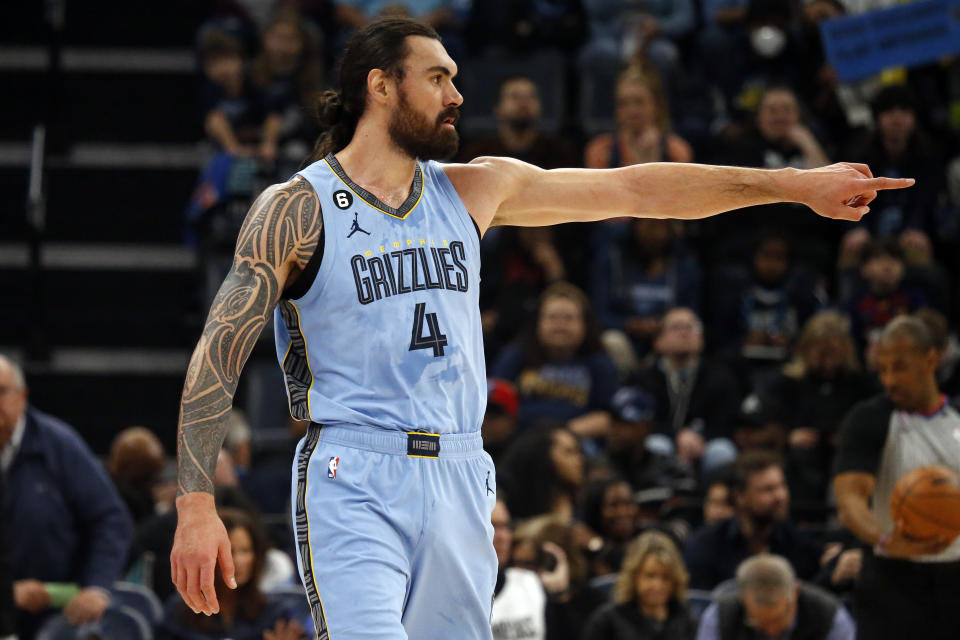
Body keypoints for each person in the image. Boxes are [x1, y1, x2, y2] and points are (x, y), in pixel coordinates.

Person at [169, 16, 914, 640]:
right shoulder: (297, 208)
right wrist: (196, 503)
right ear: (381, 85)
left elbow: (638, 189)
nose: (459, 94)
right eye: (439, 78)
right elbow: (217, 357)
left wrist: (794, 187)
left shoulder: (474, 189)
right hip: (354, 472)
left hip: (462, 474)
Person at [833, 315, 960, 640]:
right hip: (892, 583)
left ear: (931, 359)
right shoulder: (869, 419)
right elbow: (850, 500)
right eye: (883, 369)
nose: (889, 380)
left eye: (900, 367)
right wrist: (888, 540)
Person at [0, 355, 133, 638]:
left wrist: (96, 586)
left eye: (1, 392)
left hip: (60, 612)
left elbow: (110, 518)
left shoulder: (59, 446)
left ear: (22, 396)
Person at [158, 507, 305, 640]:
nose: (237, 561)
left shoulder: (276, 615)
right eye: (228, 552)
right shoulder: (178, 614)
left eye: (245, 551)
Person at [684, 451, 822, 590]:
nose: (780, 496)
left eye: (782, 486)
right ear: (740, 497)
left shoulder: (801, 544)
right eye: (768, 489)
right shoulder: (706, 545)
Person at [633, 307, 740, 478]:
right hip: (665, 440)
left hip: (705, 445)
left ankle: (716, 498)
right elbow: (643, 423)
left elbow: (726, 424)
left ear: (701, 339)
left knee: (722, 450)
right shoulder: (644, 379)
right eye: (676, 327)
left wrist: (700, 437)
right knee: (655, 445)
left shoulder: (721, 377)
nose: (684, 333)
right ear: (658, 341)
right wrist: (676, 436)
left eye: (691, 327)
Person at [696, 554, 855, 640]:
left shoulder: (830, 616)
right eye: (759, 623)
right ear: (742, 597)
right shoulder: (719, 616)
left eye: (779, 620)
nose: (771, 632)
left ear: (795, 592)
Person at [581, 530, 697, 640]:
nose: (657, 585)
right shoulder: (606, 623)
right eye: (650, 576)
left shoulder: (686, 621)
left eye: (665, 577)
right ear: (634, 576)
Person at [108, 425, 168, 525]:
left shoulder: (106, 487)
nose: (151, 483)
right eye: (147, 476)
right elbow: (144, 532)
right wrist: (161, 507)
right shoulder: (129, 499)